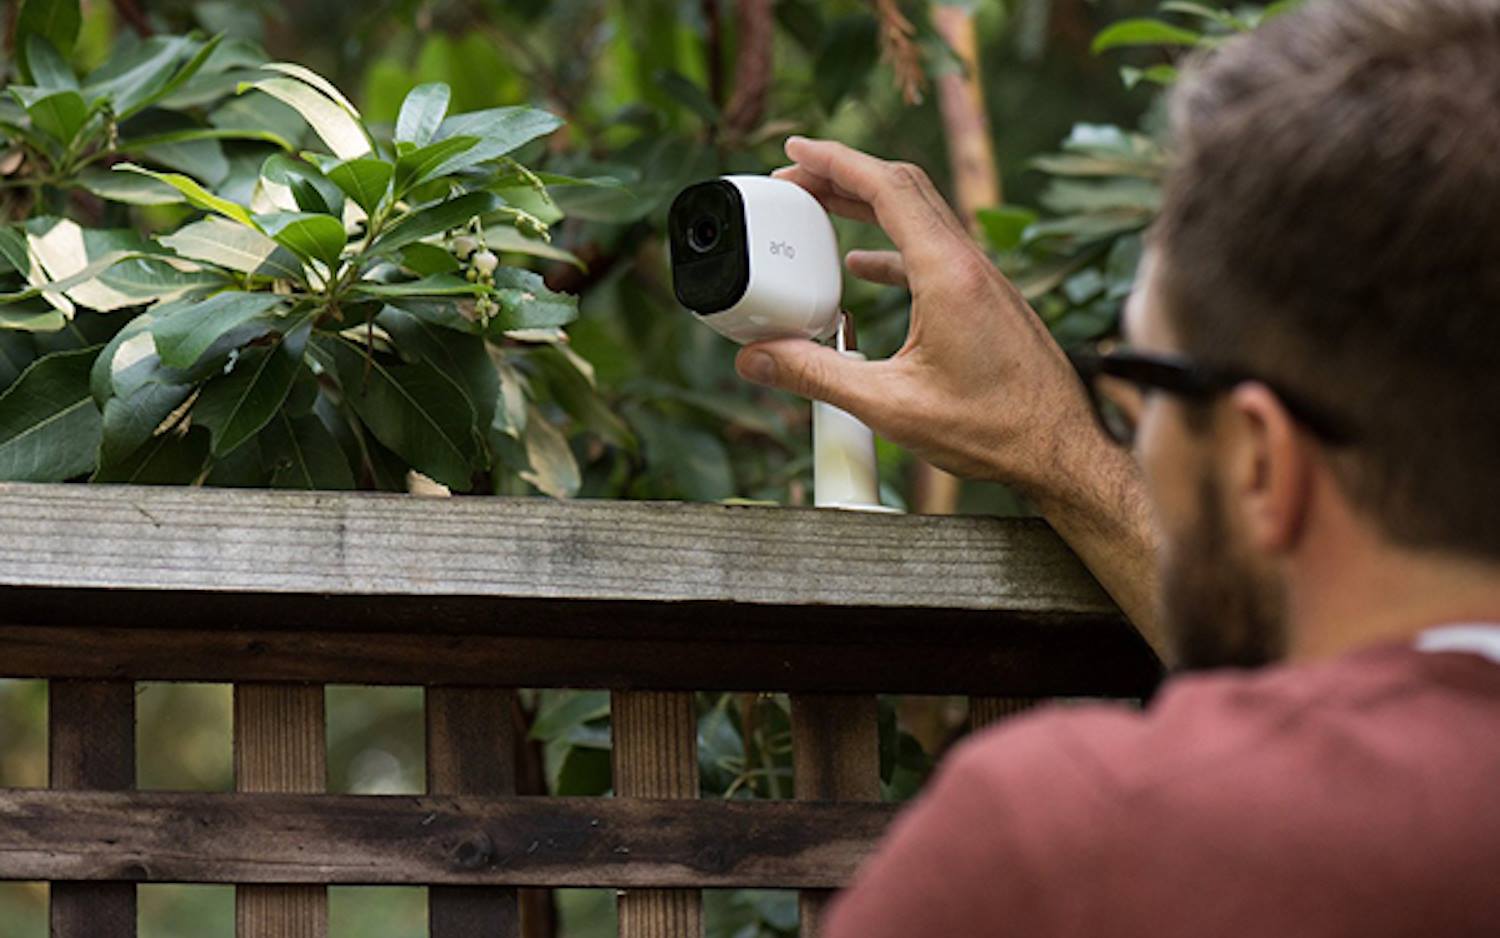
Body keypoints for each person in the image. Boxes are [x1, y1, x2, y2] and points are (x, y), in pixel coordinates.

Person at [736, 0, 1500, 933]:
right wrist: (1056, 450)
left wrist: (1059, 453)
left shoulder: (1074, 833)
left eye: (1141, 383)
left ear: (1259, 461)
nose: (1133, 421)